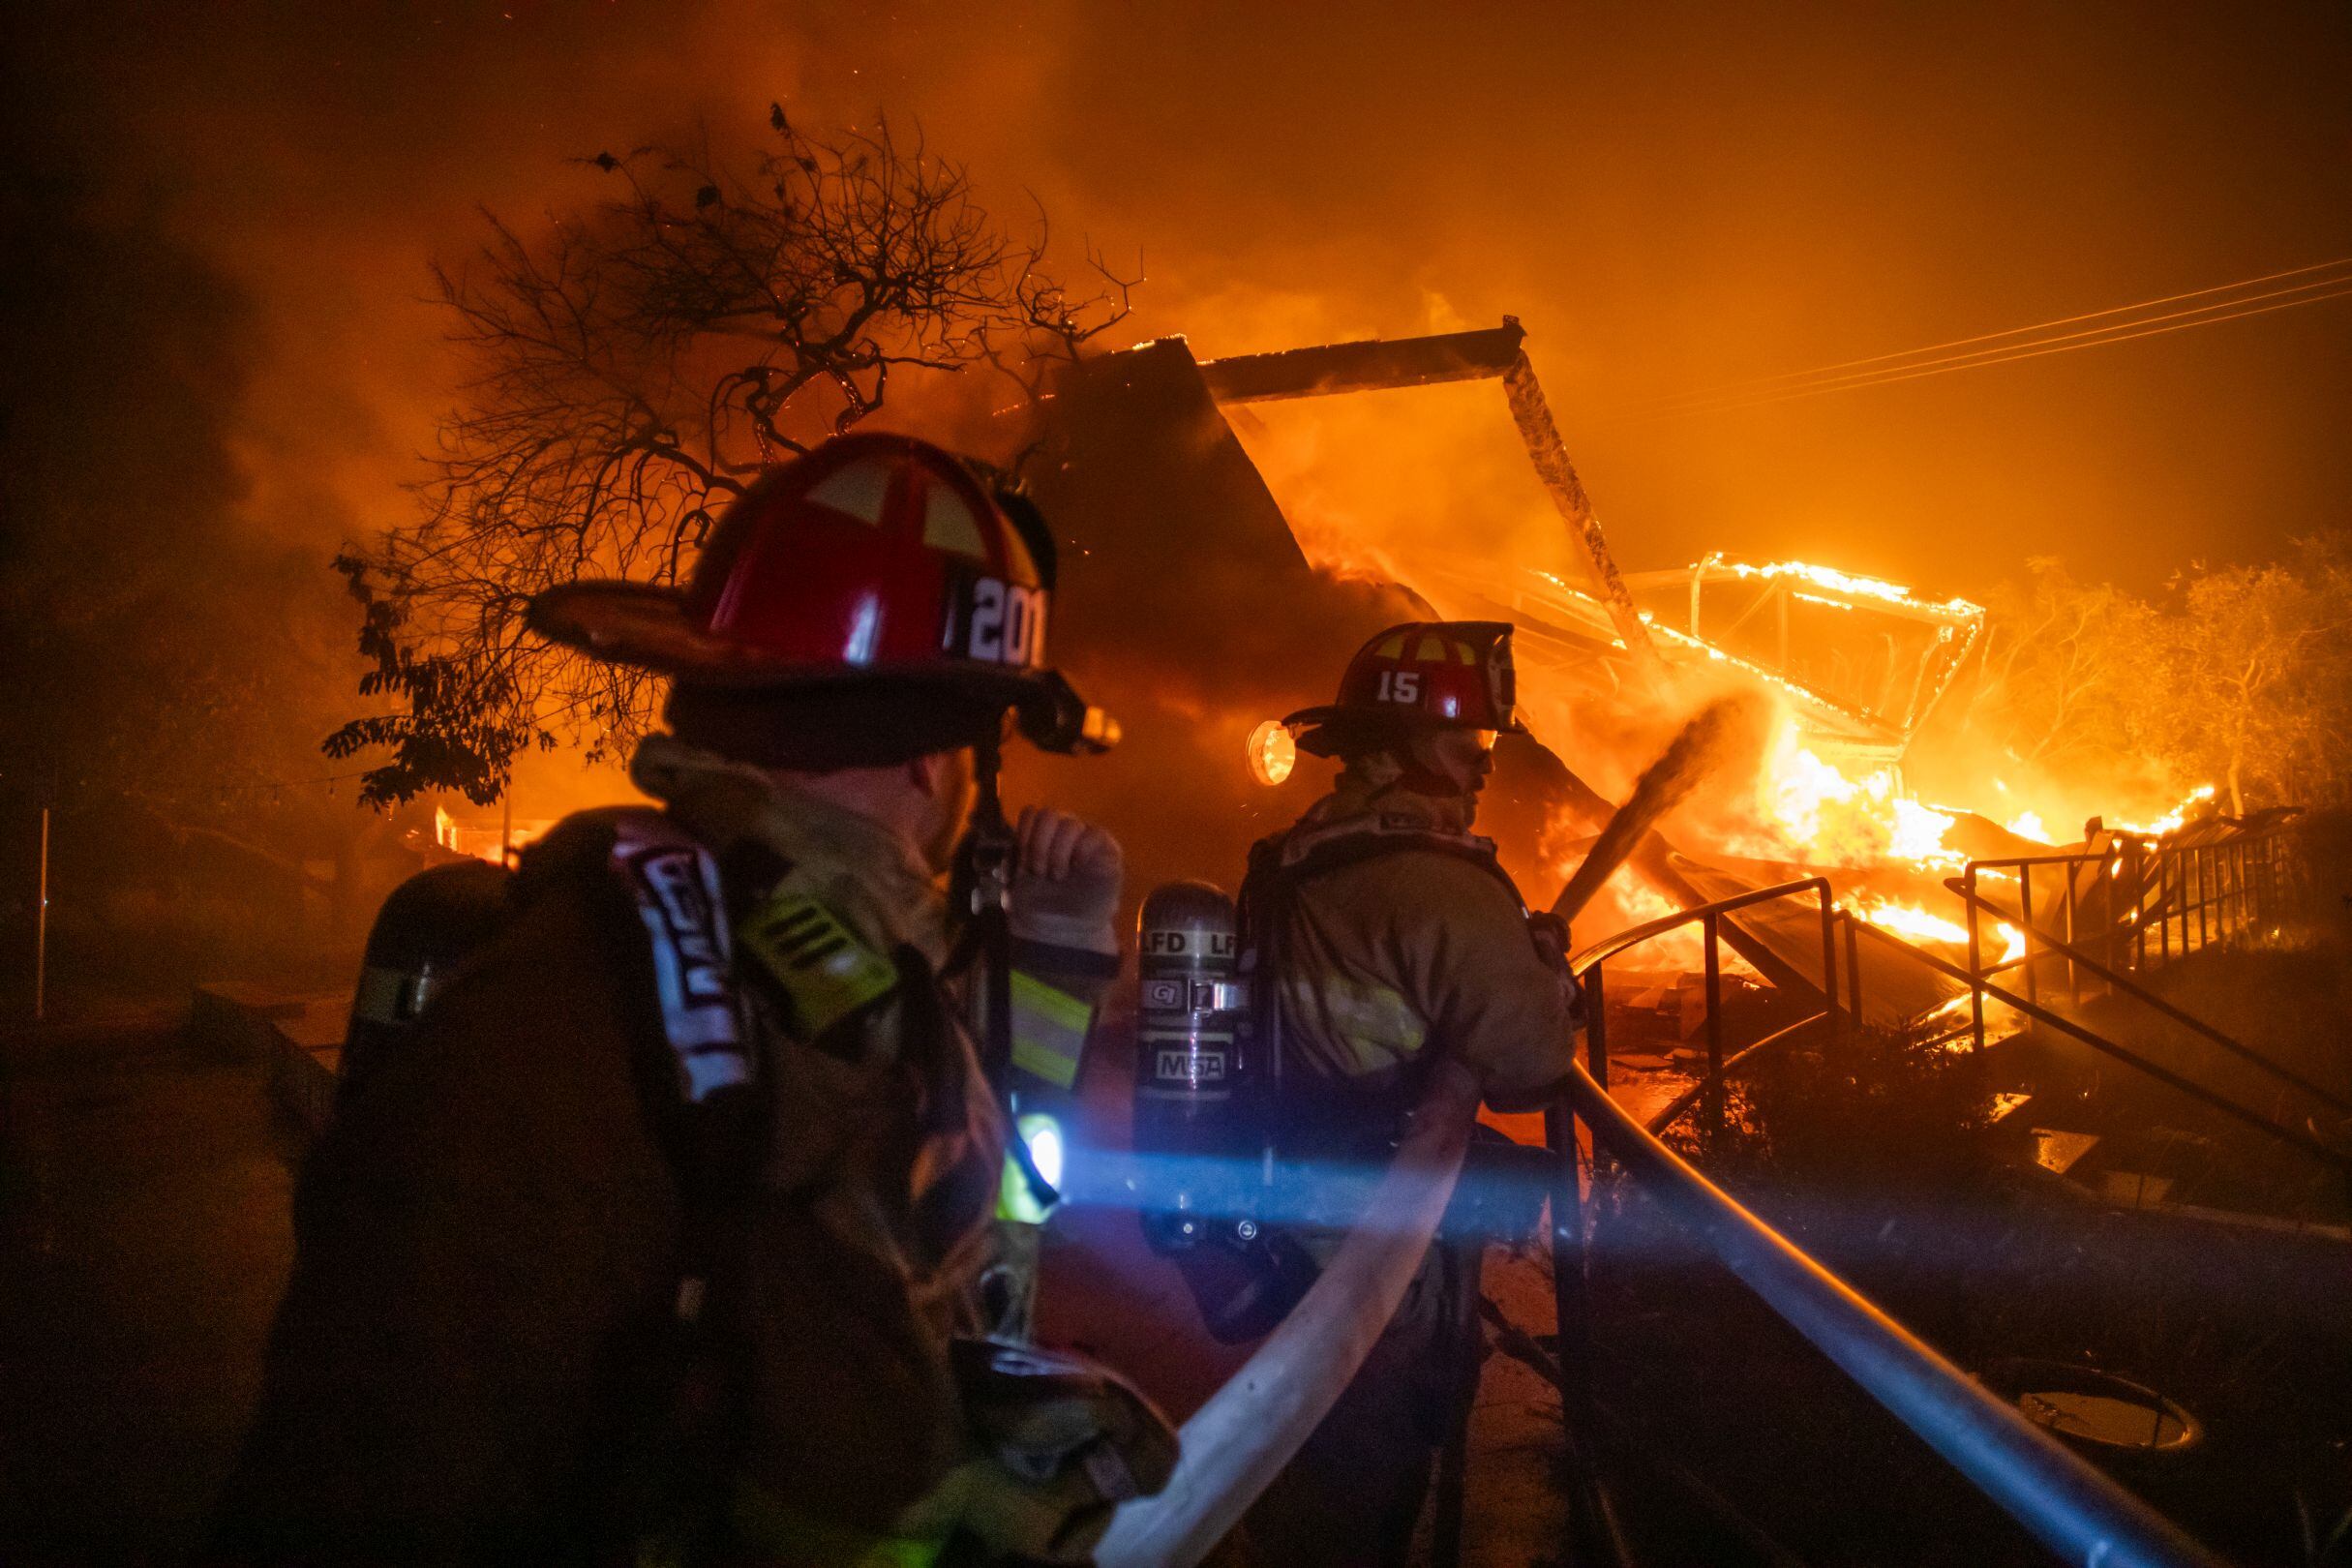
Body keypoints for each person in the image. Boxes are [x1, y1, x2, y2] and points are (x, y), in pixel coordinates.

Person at [205, 433, 1170, 1566]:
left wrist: (1055, 951)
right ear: (933, 760)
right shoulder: (583, 1017)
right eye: (977, 743)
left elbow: (979, 1224)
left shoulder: (821, 972)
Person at [1235, 619, 1582, 1567]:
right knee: (1363, 1483)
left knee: (1306, 1469)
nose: (1481, 769)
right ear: (1407, 750)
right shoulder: (1437, 882)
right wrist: (1548, 982)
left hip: (1288, 1211)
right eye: (1466, 744)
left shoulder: (1301, 856)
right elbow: (1526, 1063)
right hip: (1378, 1234)